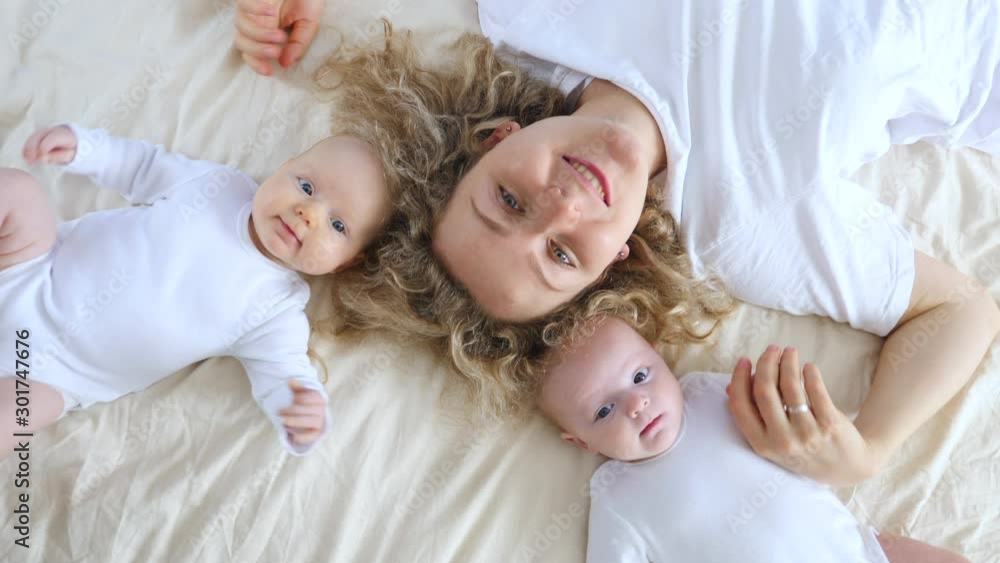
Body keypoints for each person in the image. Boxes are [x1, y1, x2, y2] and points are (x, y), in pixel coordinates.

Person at [232, 1, 1000, 486]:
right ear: (616, 257)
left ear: (500, 137)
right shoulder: (743, 225)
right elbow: (959, 310)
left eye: (507, 198)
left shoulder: (534, 15)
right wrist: (868, 447)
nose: (561, 202)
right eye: (562, 253)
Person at [0, 121, 392, 458]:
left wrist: (303, 410)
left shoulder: (277, 309)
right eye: (306, 185)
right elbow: (141, 167)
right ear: (282, 168)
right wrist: (85, 147)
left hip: (55, 375)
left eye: (338, 226)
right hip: (27, 269)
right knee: (17, 190)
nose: (310, 213)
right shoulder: (216, 186)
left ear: (347, 263)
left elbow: (284, 372)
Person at [539, 316, 970, 563]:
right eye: (603, 411)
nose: (636, 404)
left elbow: (794, 424)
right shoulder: (617, 497)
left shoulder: (711, 394)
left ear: (659, 356)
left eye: (639, 376)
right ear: (581, 442)